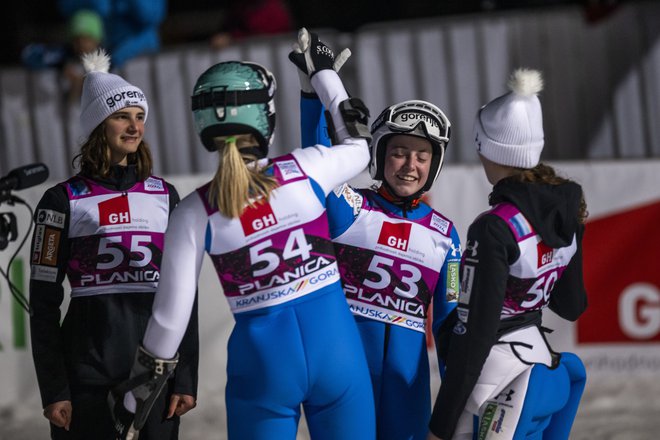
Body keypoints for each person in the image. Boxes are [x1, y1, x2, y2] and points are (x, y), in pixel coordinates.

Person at [114, 30, 377, 439]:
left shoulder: (193, 210)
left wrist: (131, 405)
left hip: (262, 364)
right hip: (338, 351)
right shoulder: (306, 168)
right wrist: (322, 77)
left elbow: (167, 325)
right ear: (267, 117)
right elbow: (358, 143)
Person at [291, 29, 461, 439]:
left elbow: (451, 321)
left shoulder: (446, 236)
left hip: (408, 388)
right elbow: (318, 161)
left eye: (422, 156)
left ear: (433, 166)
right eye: (399, 152)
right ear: (380, 156)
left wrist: (464, 388)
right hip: (343, 377)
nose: (409, 165)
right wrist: (312, 93)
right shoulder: (352, 207)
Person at [29, 49, 198, 440]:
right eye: (122, 116)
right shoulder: (61, 201)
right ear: (97, 125)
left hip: (155, 377)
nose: (135, 126)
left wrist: (186, 376)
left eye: (140, 117)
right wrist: (54, 389)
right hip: (85, 380)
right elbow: (42, 302)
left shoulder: (167, 196)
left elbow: (183, 294)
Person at [428, 68, 588, 439]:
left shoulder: (494, 227)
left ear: (486, 147)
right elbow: (572, 305)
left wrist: (439, 426)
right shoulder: (570, 206)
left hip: (497, 384)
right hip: (545, 368)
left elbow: (476, 335)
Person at [57, 0, 166, 69]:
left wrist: (114, 60)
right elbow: (77, 12)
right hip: (105, 53)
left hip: (141, 58)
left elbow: (151, 16)